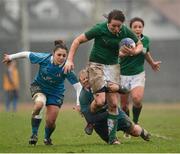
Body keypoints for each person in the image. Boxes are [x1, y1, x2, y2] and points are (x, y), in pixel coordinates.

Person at [63, 9, 143, 144]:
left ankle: (112, 139)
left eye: (119, 26)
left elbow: (139, 45)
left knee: (112, 104)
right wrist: (69, 60)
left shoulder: (124, 31)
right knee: (100, 101)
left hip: (113, 67)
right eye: (113, 26)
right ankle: (90, 118)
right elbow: (77, 41)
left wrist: (134, 51)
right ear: (108, 23)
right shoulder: (99, 29)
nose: (116, 29)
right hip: (96, 65)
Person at [2, 40, 82, 146]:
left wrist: (78, 103)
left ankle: (47, 138)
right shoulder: (44, 58)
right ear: (53, 54)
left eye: (64, 55)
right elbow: (26, 54)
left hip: (56, 93)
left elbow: (78, 86)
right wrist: (10, 57)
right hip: (38, 87)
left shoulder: (67, 67)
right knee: (39, 104)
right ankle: (34, 134)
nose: (62, 57)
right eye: (59, 55)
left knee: (51, 121)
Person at [78, 69, 150, 144]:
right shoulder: (83, 97)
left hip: (115, 114)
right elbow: (89, 116)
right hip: (100, 123)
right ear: (80, 82)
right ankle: (113, 139)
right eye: (83, 79)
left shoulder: (102, 84)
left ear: (92, 78)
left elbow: (126, 90)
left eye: (87, 78)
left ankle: (142, 132)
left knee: (135, 132)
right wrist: (91, 122)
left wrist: (118, 88)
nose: (86, 80)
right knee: (113, 142)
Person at [119, 17, 161, 126]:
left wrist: (152, 63)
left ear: (143, 28)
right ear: (130, 28)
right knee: (123, 105)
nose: (137, 29)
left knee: (137, 99)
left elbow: (145, 52)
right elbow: (118, 54)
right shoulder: (124, 40)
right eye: (135, 27)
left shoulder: (145, 40)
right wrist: (127, 52)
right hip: (122, 75)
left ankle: (135, 122)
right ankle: (128, 126)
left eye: (140, 27)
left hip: (138, 74)